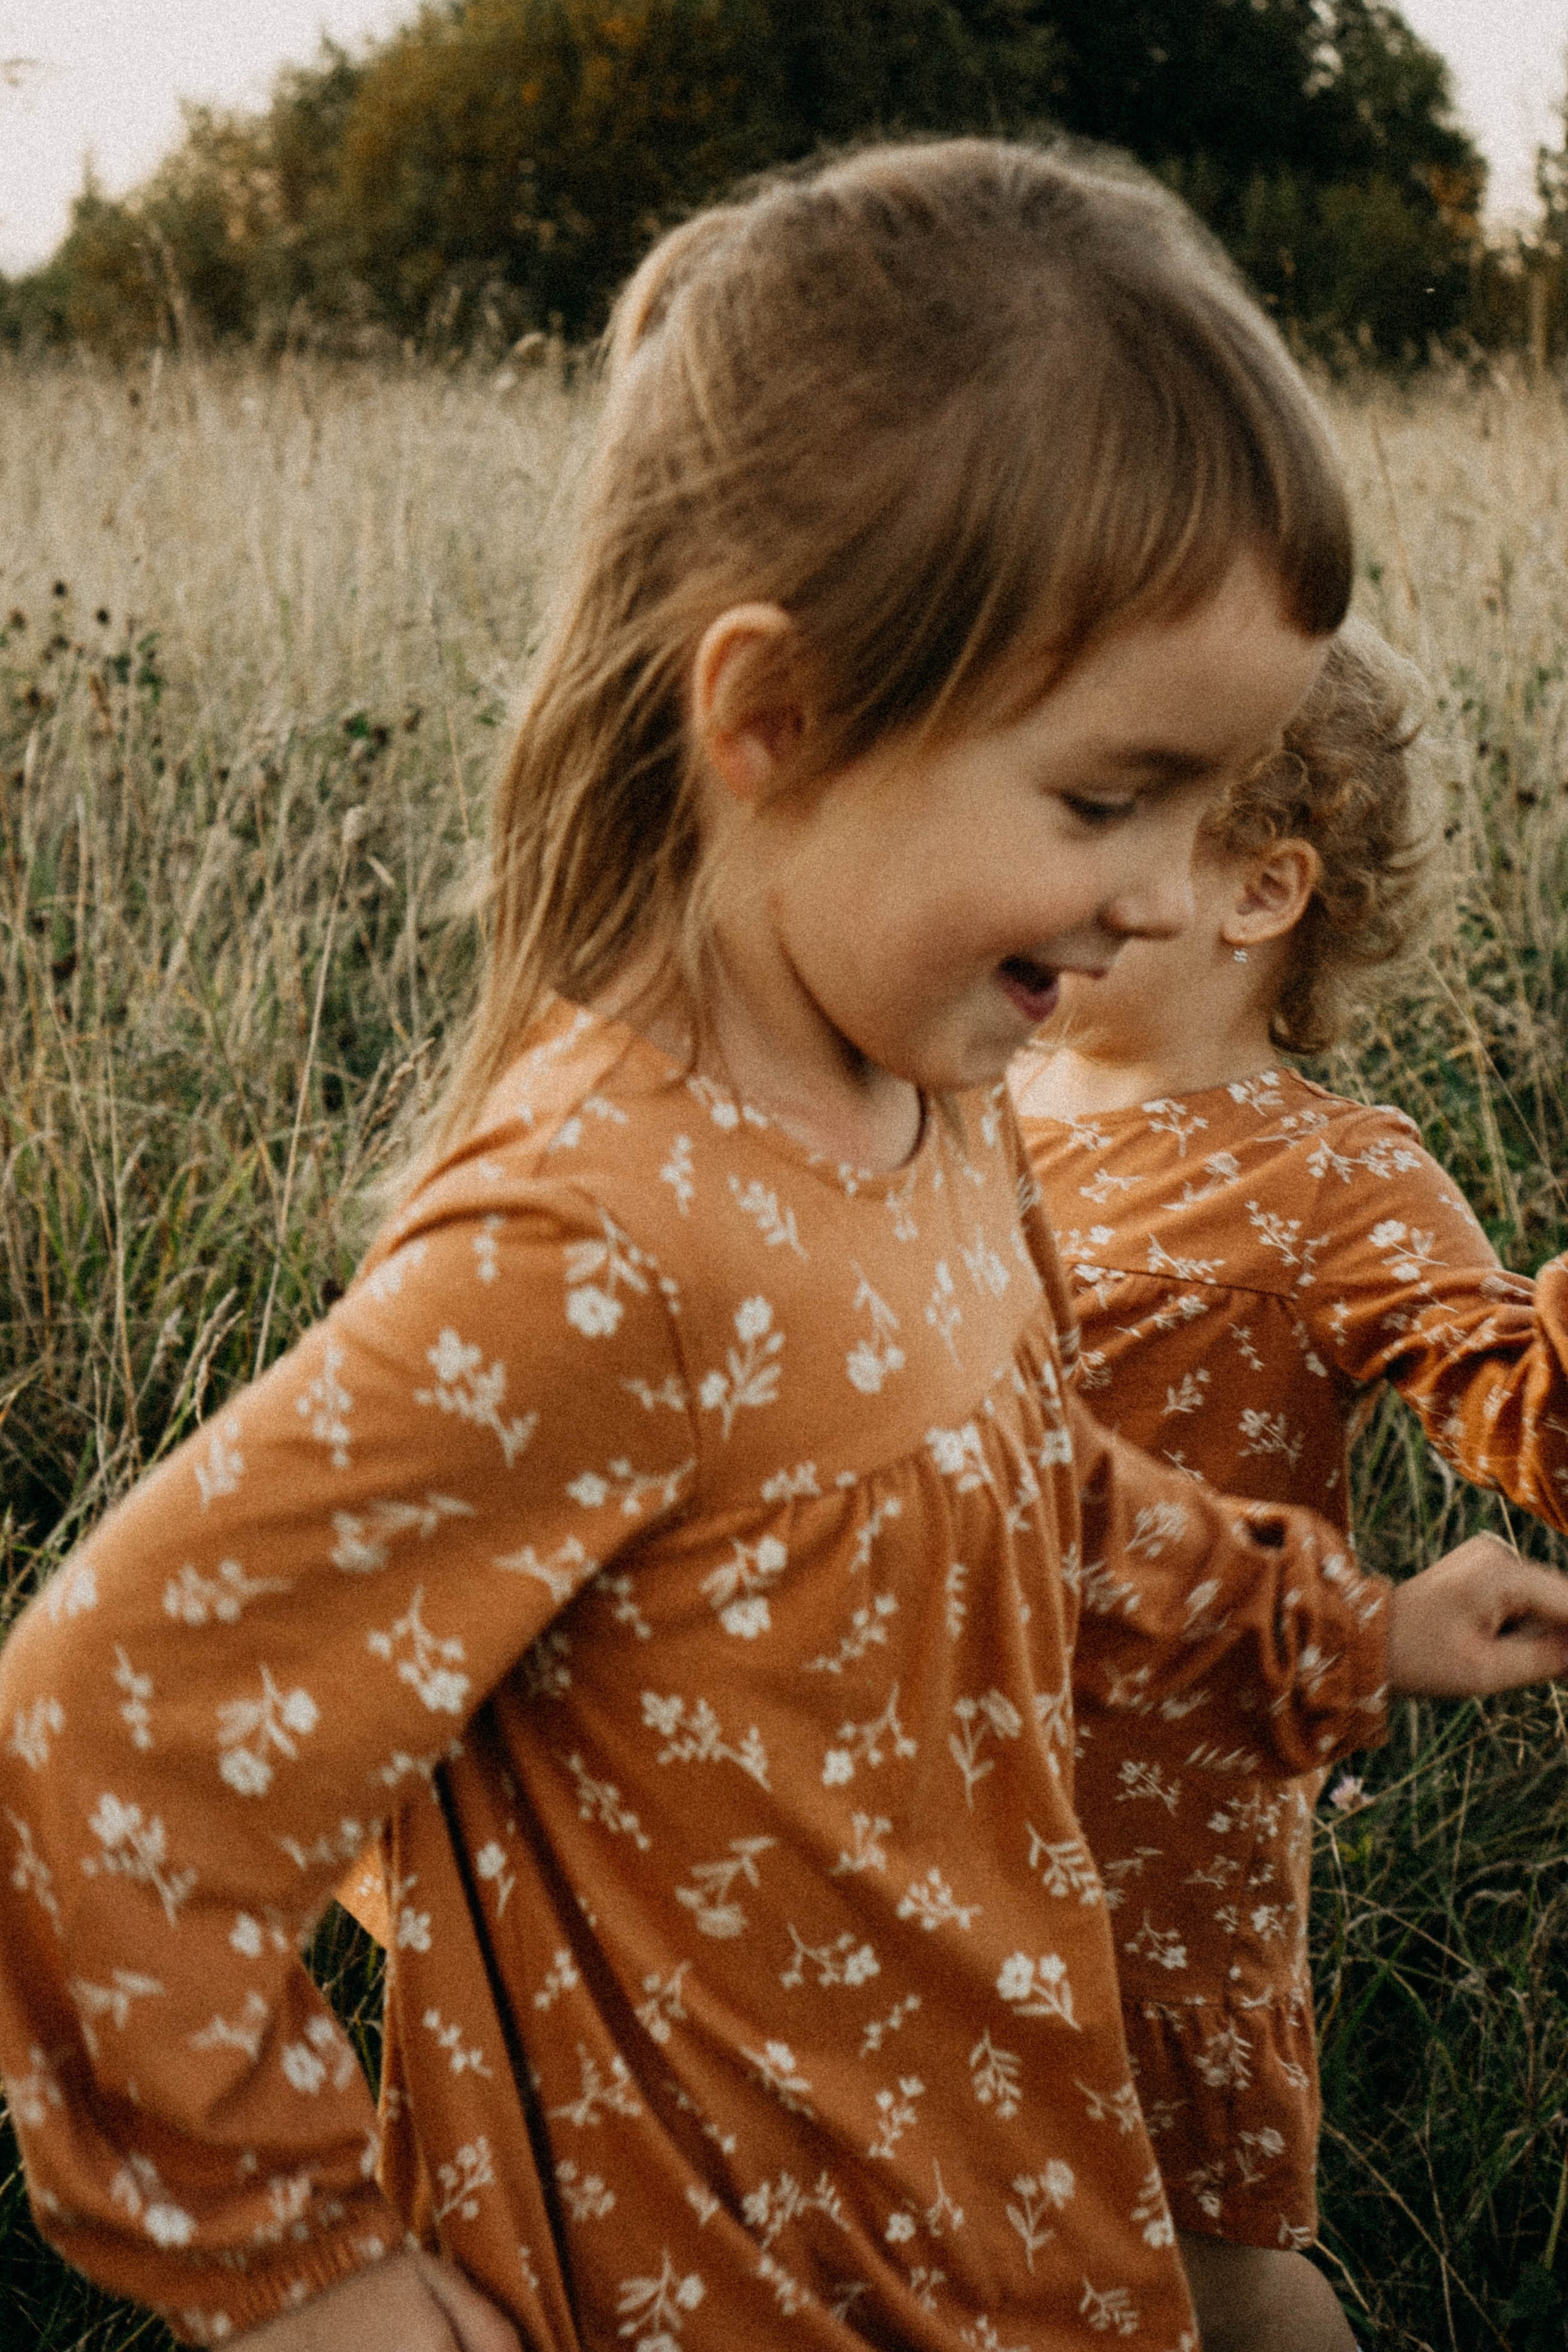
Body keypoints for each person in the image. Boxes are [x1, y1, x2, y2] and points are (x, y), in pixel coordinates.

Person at [1, 143, 1564, 2352]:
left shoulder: (938, 1110)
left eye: (1209, 814)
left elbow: (1025, 1496)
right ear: (777, 720)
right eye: (1109, 798)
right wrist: (310, 2279)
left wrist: (1339, 1630)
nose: (1157, 892)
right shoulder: (606, 1244)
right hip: (725, 2285)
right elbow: (101, 1738)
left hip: (1011, 2194)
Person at [1012, 617, 1568, 2352]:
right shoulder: (967, 1098)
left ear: (1260, 892)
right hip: (949, 1770)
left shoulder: (1328, 1174)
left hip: (1167, 1830)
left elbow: (1516, 1407)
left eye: (1099, 820)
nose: (1029, 868)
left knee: (1201, 2254)